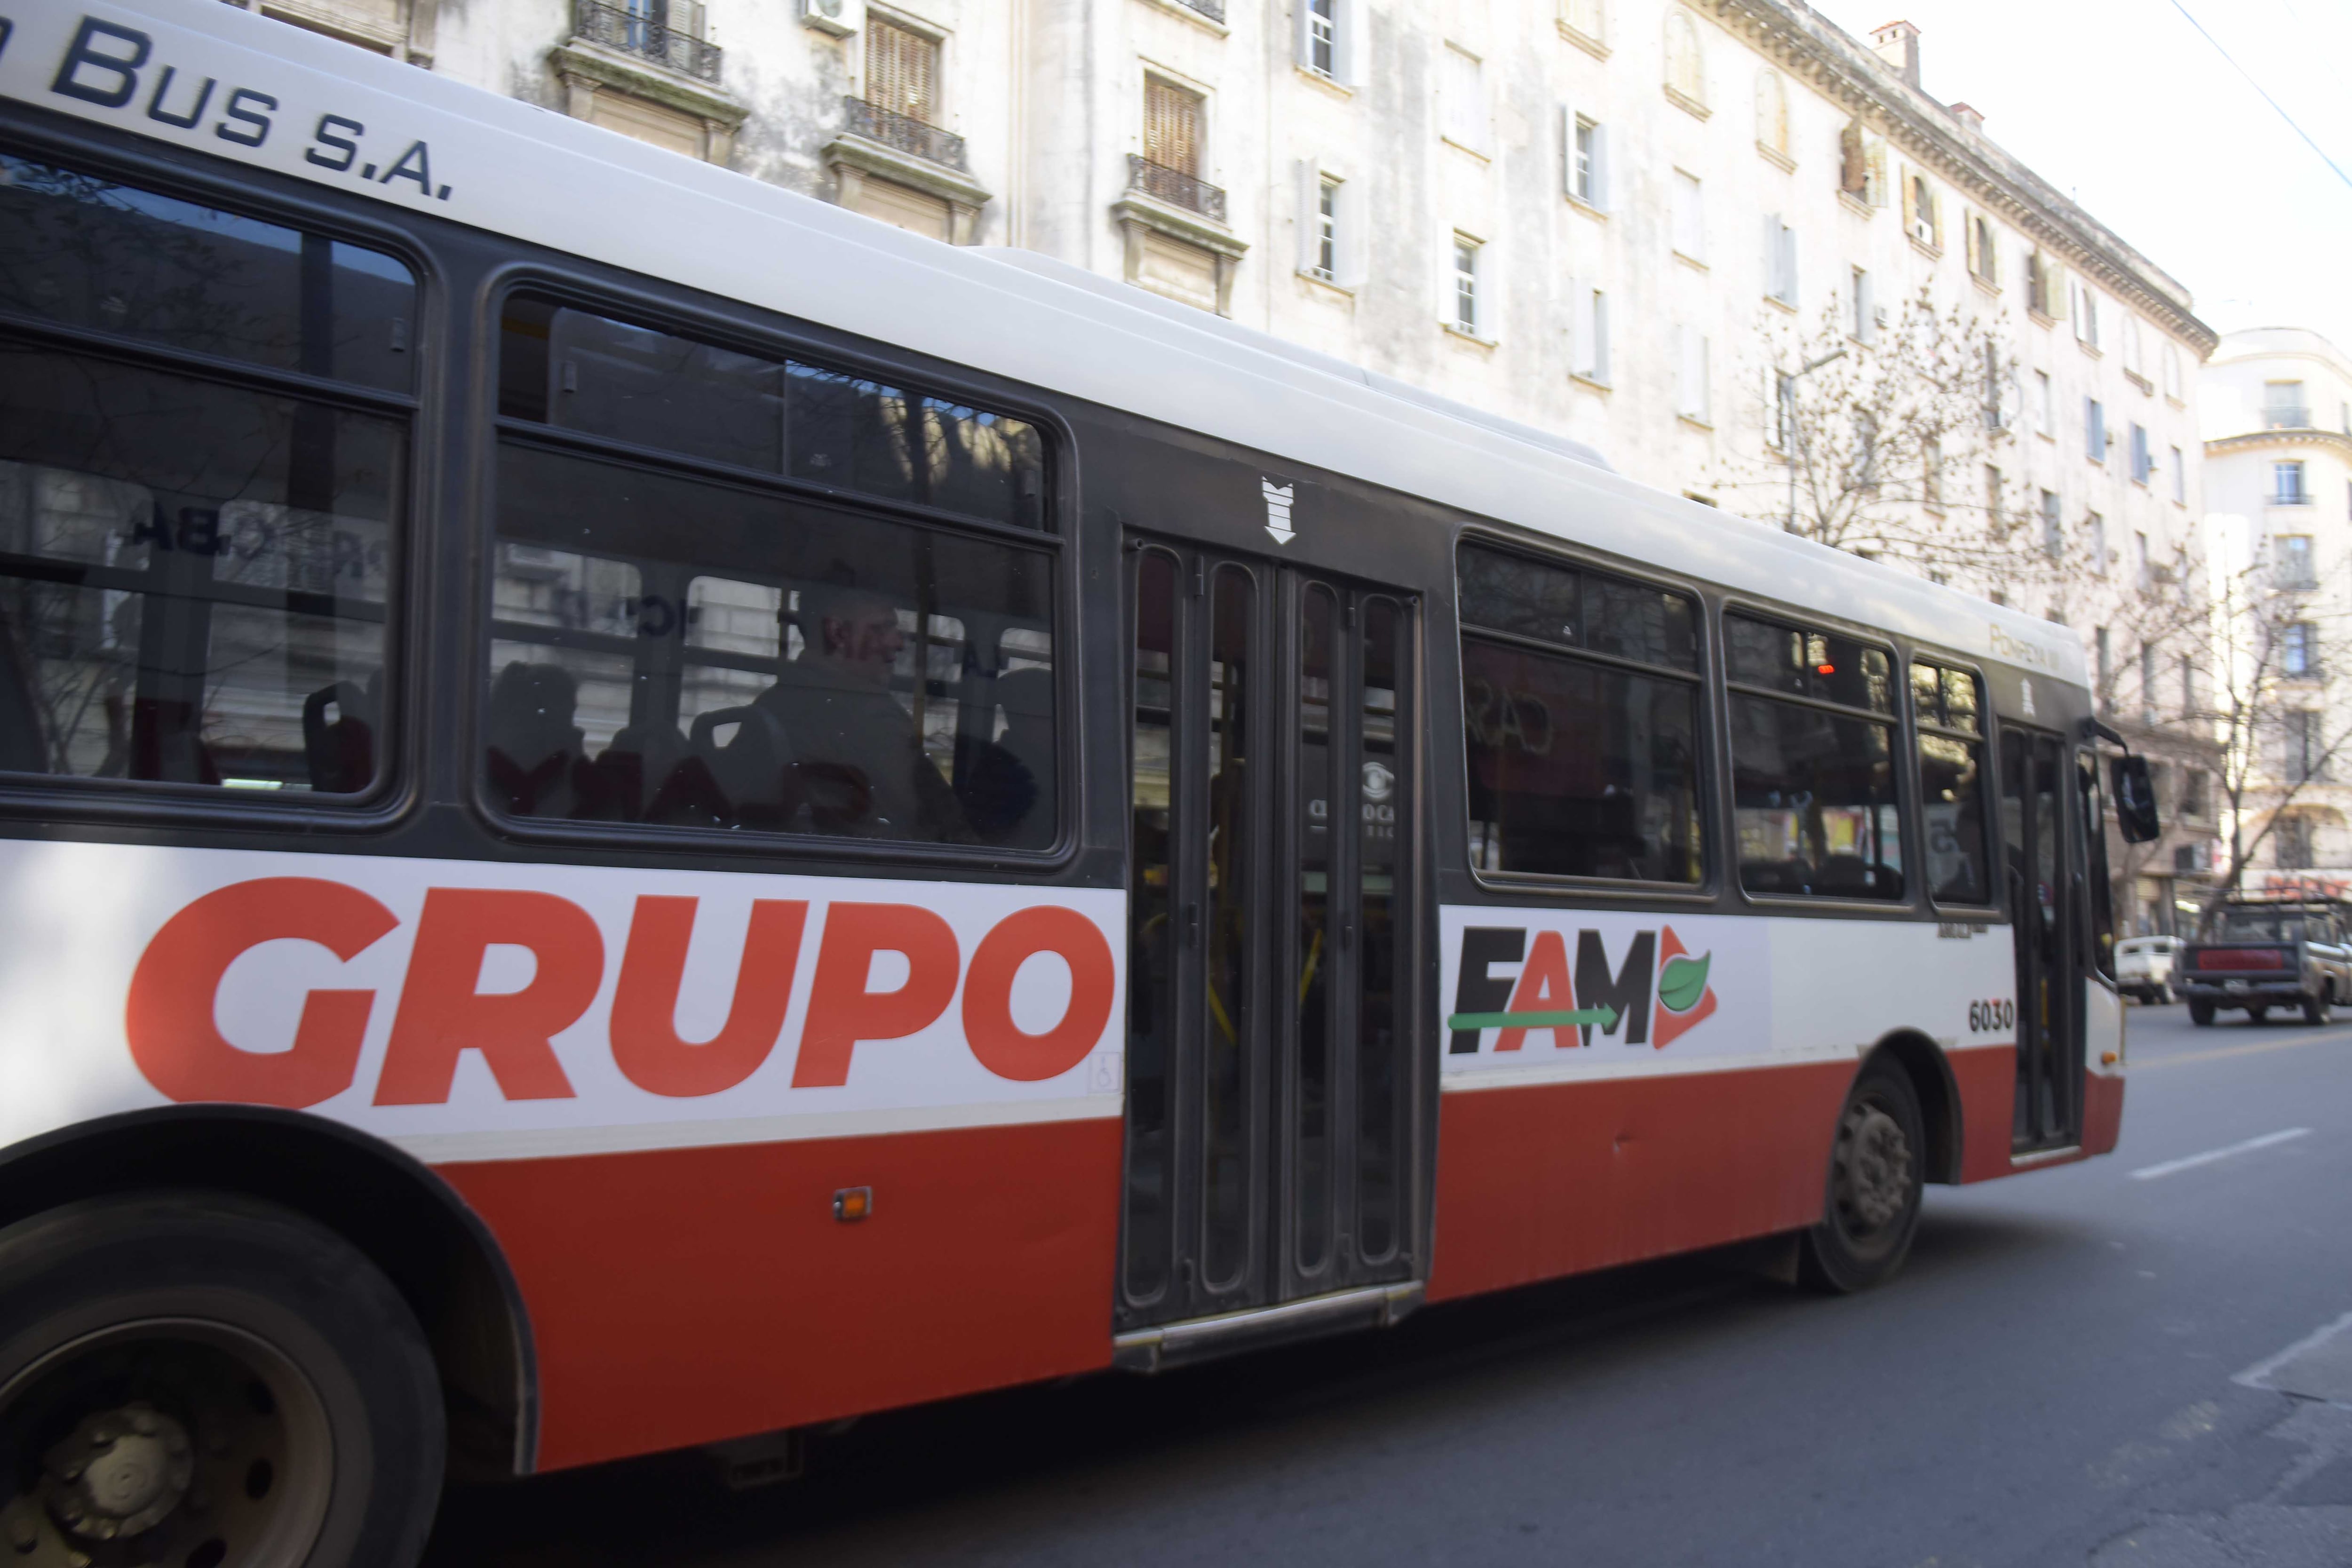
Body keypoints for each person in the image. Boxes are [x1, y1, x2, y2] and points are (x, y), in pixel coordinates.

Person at [754, 572, 969, 842]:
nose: (899, 644)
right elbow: (940, 825)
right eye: (882, 629)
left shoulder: (773, 701)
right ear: (837, 633)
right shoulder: (869, 714)